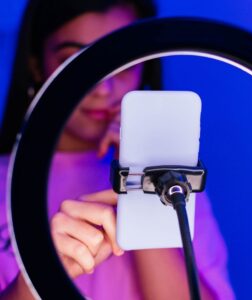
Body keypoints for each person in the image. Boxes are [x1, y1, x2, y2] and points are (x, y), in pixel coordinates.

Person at [0, 0, 235, 299]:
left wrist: (145, 174)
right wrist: (35, 278)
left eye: (121, 64)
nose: (103, 88)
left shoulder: (178, 180)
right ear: (36, 65)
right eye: (74, 61)